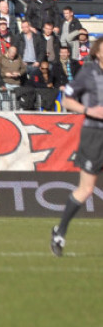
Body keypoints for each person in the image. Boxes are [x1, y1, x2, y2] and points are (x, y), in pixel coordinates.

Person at [53, 38, 103, 256]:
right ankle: (59, 230)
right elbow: (67, 100)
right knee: (87, 189)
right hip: (94, 134)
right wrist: (88, 110)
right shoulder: (89, 72)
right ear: (98, 53)